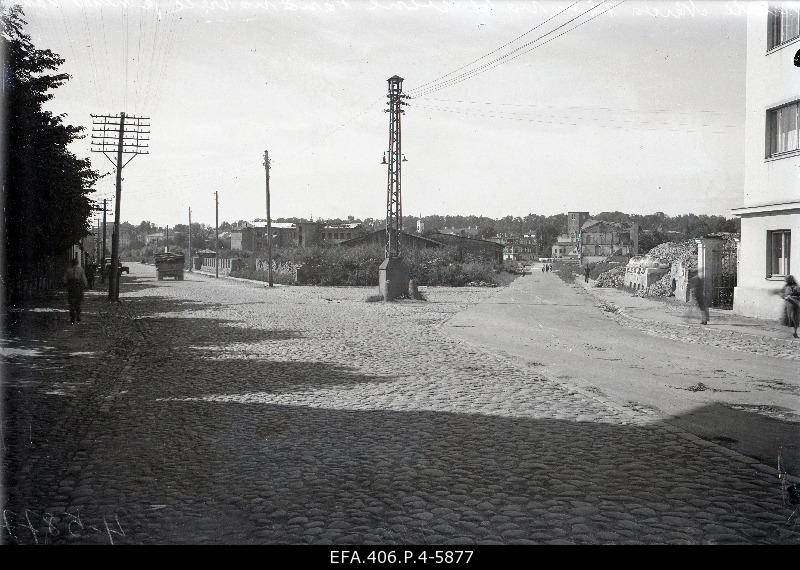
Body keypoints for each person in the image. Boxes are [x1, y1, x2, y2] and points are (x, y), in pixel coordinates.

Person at [64, 257, 88, 324]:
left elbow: (65, 279)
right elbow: (83, 278)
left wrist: (66, 285)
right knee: (78, 302)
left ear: (72, 263)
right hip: (78, 287)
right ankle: (78, 315)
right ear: (77, 263)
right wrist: (85, 285)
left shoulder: (68, 270)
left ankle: (72, 317)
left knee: (71, 303)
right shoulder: (80, 269)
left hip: (71, 287)